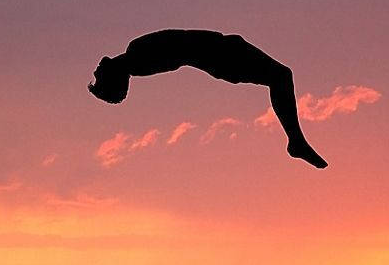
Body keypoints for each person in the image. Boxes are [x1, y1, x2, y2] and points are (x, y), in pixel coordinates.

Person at [88, 28, 327, 168]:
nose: (97, 70)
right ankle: (295, 142)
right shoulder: (136, 58)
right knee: (281, 76)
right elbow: (182, 48)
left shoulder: (135, 57)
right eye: (100, 77)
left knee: (280, 76)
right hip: (221, 56)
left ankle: (296, 141)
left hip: (221, 51)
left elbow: (180, 45)